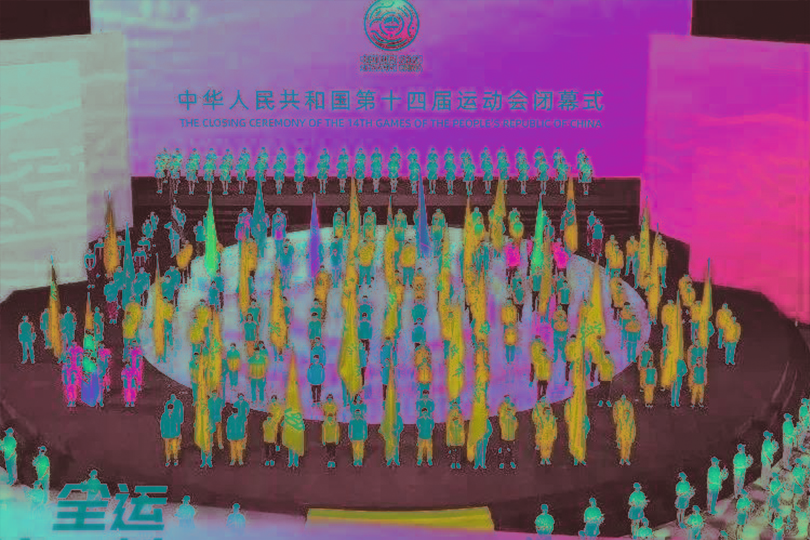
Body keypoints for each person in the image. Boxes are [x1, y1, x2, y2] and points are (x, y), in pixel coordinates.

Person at [532, 398, 557, 465]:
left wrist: (554, 435)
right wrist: (539, 435)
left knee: (549, 447)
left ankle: (547, 458)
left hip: (550, 435)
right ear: (544, 412)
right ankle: (543, 458)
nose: (548, 413)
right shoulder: (541, 418)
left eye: (549, 411)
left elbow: (554, 428)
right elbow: (539, 428)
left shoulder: (552, 418)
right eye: (546, 412)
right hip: (543, 435)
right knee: (543, 447)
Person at [497, 395, 518, 469]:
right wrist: (503, 429)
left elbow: (515, 426)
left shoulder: (514, 418)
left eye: (508, 399)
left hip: (511, 436)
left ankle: (512, 461)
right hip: (504, 435)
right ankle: (502, 462)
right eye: (506, 399)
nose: (507, 400)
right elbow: (498, 413)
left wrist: (512, 432)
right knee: (504, 449)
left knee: (513, 450)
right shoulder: (502, 407)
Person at [263, 396, 284, 467]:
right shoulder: (270, 406)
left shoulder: (280, 405)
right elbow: (268, 413)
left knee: (278, 433)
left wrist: (280, 421)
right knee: (272, 435)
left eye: (274, 400)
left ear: (276, 400)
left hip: (277, 422)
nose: (273, 401)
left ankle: (277, 445)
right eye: (272, 400)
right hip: (271, 423)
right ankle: (268, 459)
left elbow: (282, 414)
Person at [446, 400, 465, 470]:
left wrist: (462, 440)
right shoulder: (449, 414)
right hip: (453, 437)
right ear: (452, 406)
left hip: (459, 438)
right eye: (454, 406)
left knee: (459, 451)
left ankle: (458, 462)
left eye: (456, 406)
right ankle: (453, 462)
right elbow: (448, 427)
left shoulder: (460, 414)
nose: (455, 407)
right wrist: (448, 440)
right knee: (453, 451)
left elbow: (462, 425)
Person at [322, 394, 339, 468]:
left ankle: (333, 461)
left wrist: (336, 439)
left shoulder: (335, 405)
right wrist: (323, 440)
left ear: (332, 399)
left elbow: (337, 432)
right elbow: (324, 433)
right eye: (328, 398)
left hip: (333, 438)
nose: (329, 400)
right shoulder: (325, 405)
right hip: (327, 438)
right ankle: (329, 461)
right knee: (328, 450)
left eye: (330, 399)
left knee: (333, 450)